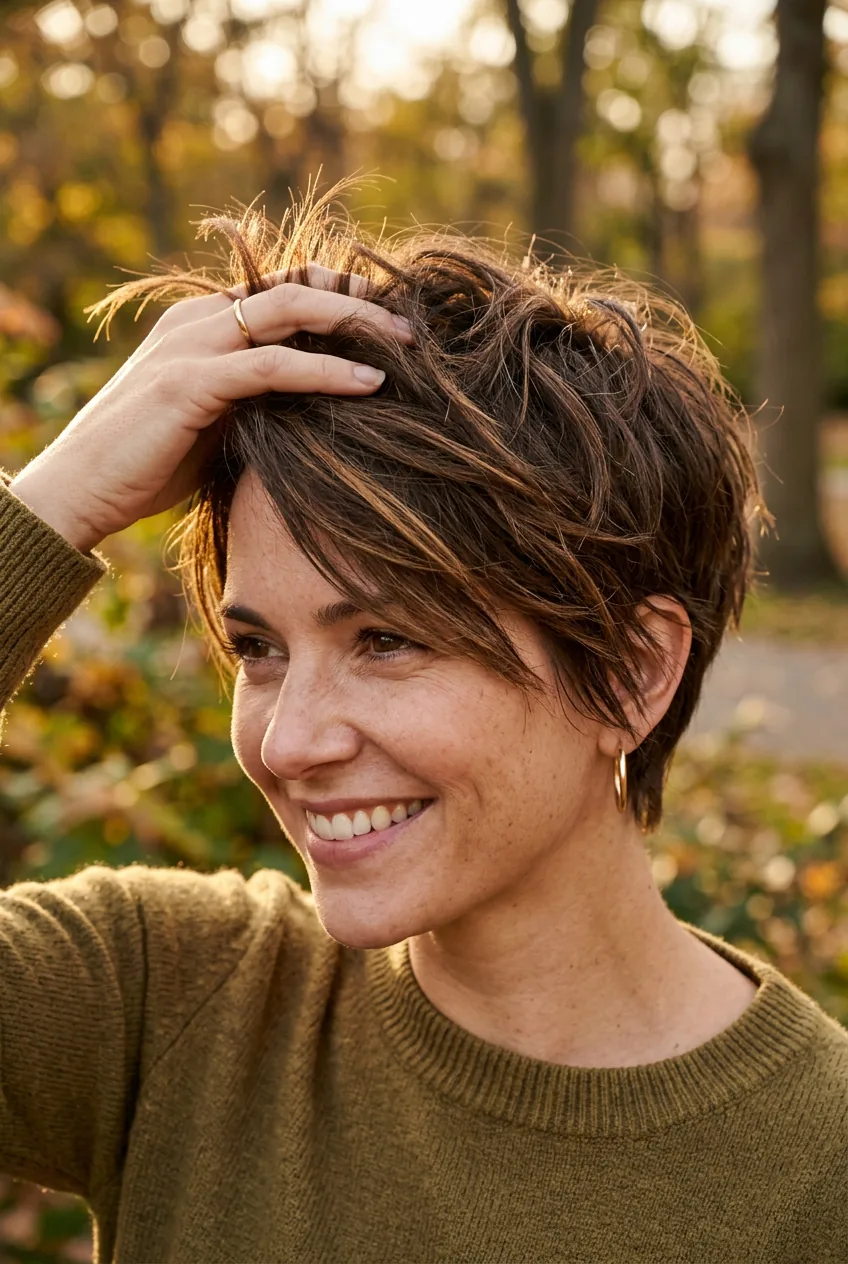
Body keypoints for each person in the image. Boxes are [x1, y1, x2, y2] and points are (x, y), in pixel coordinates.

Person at [1, 187, 846, 1264]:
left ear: (631, 673)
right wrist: (49, 507)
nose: (288, 741)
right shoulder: (164, 1000)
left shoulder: (821, 1171)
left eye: (387, 640)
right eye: (259, 648)